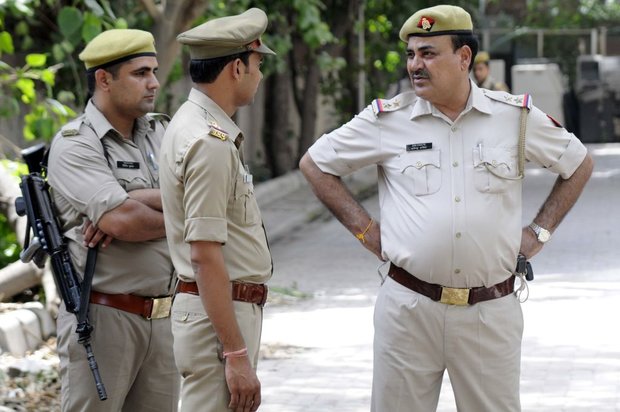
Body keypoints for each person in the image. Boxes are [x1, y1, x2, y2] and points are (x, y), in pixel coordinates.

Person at [299, 5, 593, 412]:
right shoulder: (388, 120)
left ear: (464, 57)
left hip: (490, 314)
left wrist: (538, 233)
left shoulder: (513, 117)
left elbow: (578, 163)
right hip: (408, 310)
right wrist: (367, 231)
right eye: (411, 54)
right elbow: (315, 164)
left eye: (428, 53)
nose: (415, 64)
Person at [47, 29, 179, 411]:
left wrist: (138, 201)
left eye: (153, 71)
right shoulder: (76, 143)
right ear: (104, 79)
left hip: (164, 318)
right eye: (140, 73)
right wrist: (186, 211)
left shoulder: (161, 132)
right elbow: (124, 221)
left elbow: (211, 195)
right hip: (104, 320)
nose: (154, 82)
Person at [158, 8, 275, 412]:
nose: (260, 75)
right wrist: (235, 352)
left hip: (217, 313)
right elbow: (205, 255)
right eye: (258, 64)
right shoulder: (208, 141)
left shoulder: (193, 124)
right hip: (217, 319)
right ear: (237, 69)